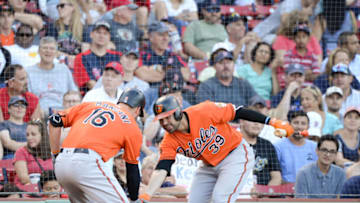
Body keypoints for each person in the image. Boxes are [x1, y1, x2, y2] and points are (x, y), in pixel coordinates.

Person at [138, 95, 294, 202]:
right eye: (161, 120)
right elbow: (162, 169)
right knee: (194, 201)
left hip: (235, 155)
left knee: (220, 198)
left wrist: (271, 121)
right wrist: (147, 194)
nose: (164, 123)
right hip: (209, 166)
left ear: (178, 113)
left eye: (168, 117)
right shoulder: (169, 140)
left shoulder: (204, 110)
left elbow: (238, 111)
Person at [48, 88, 146, 202]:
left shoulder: (92, 105)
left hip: (62, 164)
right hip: (87, 164)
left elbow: (54, 120)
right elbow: (132, 170)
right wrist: (134, 199)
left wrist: (56, 155)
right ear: (138, 110)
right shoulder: (132, 125)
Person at [26, 36, 78, 113]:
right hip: (39, 113)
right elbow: (28, 99)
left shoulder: (64, 69)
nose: (48, 51)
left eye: (52, 48)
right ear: (38, 51)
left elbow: (74, 93)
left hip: (63, 112)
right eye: (45, 48)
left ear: (57, 53)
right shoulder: (28, 71)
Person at [135, 21, 189, 87]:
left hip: (172, 92)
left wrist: (159, 70)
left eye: (168, 35)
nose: (165, 38)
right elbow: (142, 74)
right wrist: (173, 72)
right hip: (152, 92)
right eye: (161, 35)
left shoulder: (173, 55)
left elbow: (186, 75)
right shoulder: (142, 54)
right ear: (150, 37)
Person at [239, 104, 282, 186]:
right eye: (252, 120)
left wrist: (264, 193)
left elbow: (276, 177)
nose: (256, 124)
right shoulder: (233, 144)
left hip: (263, 195)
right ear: (242, 121)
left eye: (259, 121)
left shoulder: (267, 145)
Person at [73, 21, 121, 91]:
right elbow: (90, 84)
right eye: (98, 32)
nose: (101, 36)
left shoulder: (117, 56)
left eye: (105, 33)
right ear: (91, 34)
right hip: (91, 97)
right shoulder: (81, 57)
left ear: (109, 37)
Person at [274, 110, 318, 183]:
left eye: (303, 123)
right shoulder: (278, 147)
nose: (299, 127)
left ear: (308, 127)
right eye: (296, 123)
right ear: (289, 125)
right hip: (285, 191)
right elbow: (275, 175)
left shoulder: (315, 147)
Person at [13, 120, 53, 186]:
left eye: (33, 134)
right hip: (27, 189)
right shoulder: (21, 152)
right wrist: (39, 189)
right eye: (27, 135)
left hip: (49, 189)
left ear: (42, 135)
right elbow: (24, 179)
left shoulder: (52, 151)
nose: (29, 138)